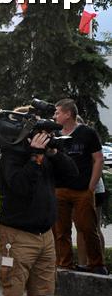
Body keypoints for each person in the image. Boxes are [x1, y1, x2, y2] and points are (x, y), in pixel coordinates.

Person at [0, 130, 79, 296]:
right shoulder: (11, 155)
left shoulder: (47, 155)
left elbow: (72, 176)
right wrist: (34, 157)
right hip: (17, 233)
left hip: (45, 235)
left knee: (39, 292)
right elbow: (19, 186)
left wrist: (55, 152)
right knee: (12, 291)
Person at [51, 99, 107, 275]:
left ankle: (96, 264)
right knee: (61, 230)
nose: (55, 116)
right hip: (60, 188)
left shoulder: (87, 133)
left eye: (58, 112)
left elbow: (98, 159)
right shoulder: (55, 133)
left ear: (68, 114)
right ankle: (64, 264)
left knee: (88, 228)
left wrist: (91, 187)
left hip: (82, 189)